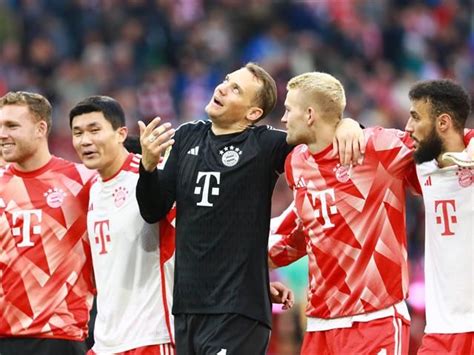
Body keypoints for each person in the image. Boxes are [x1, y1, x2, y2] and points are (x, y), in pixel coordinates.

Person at [136, 62, 363, 354]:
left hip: (238, 310)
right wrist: (148, 167)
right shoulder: (186, 137)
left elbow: (321, 142)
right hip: (188, 307)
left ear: (252, 113)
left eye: (235, 89)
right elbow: (153, 210)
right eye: (227, 81)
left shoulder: (266, 144)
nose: (222, 87)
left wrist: (348, 124)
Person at [268, 72, 423, 355]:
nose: (283, 118)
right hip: (319, 324)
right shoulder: (296, 164)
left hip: (374, 318)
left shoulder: (376, 147)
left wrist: (354, 124)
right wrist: (249, 267)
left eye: (289, 109)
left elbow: (441, 149)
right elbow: (300, 233)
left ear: (311, 114)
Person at [69, 96, 176, 354]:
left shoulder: (155, 177)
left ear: (121, 134)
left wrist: (251, 279)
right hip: (104, 341)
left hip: (150, 337)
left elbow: (204, 233)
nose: (85, 141)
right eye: (78, 133)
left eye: (95, 130)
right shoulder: (89, 191)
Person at [0, 91, 95, 355]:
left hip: (59, 337)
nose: (2, 134)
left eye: (11, 126)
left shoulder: (82, 181)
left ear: (41, 128)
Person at [404, 79, 473, 354]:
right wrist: (351, 126)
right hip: (441, 331)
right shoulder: (420, 163)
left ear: (443, 123)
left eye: (415, 117)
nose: (408, 128)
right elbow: (372, 140)